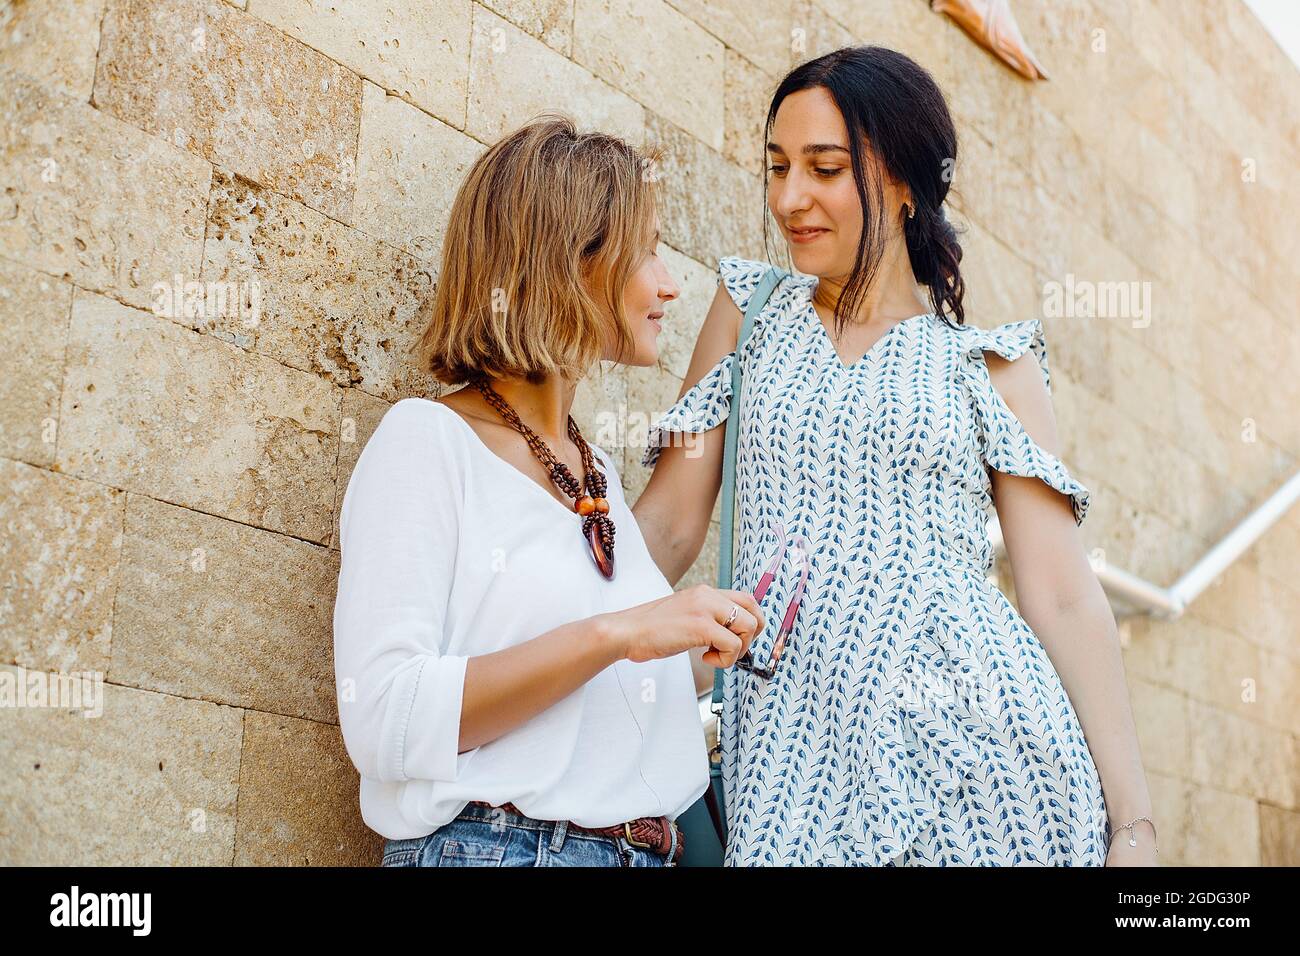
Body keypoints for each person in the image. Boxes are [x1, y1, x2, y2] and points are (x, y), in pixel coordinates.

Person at [633, 46, 1158, 866]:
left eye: (825, 168)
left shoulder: (993, 364)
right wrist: (547, 629)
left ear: (907, 181)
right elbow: (665, 529)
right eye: (777, 168)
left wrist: (1134, 824)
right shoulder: (750, 312)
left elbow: (1058, 593)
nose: (790, 198)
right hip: (793, 747)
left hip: (987, 758)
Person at [332, 115, 765, 868]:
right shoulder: (427, 442)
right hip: (504, 850)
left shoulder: (587, 468)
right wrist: (623, 634)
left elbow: (591, 691)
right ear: (575, 260)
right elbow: (384, 718)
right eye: (650, 250)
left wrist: (705, 639)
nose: (669, 284)